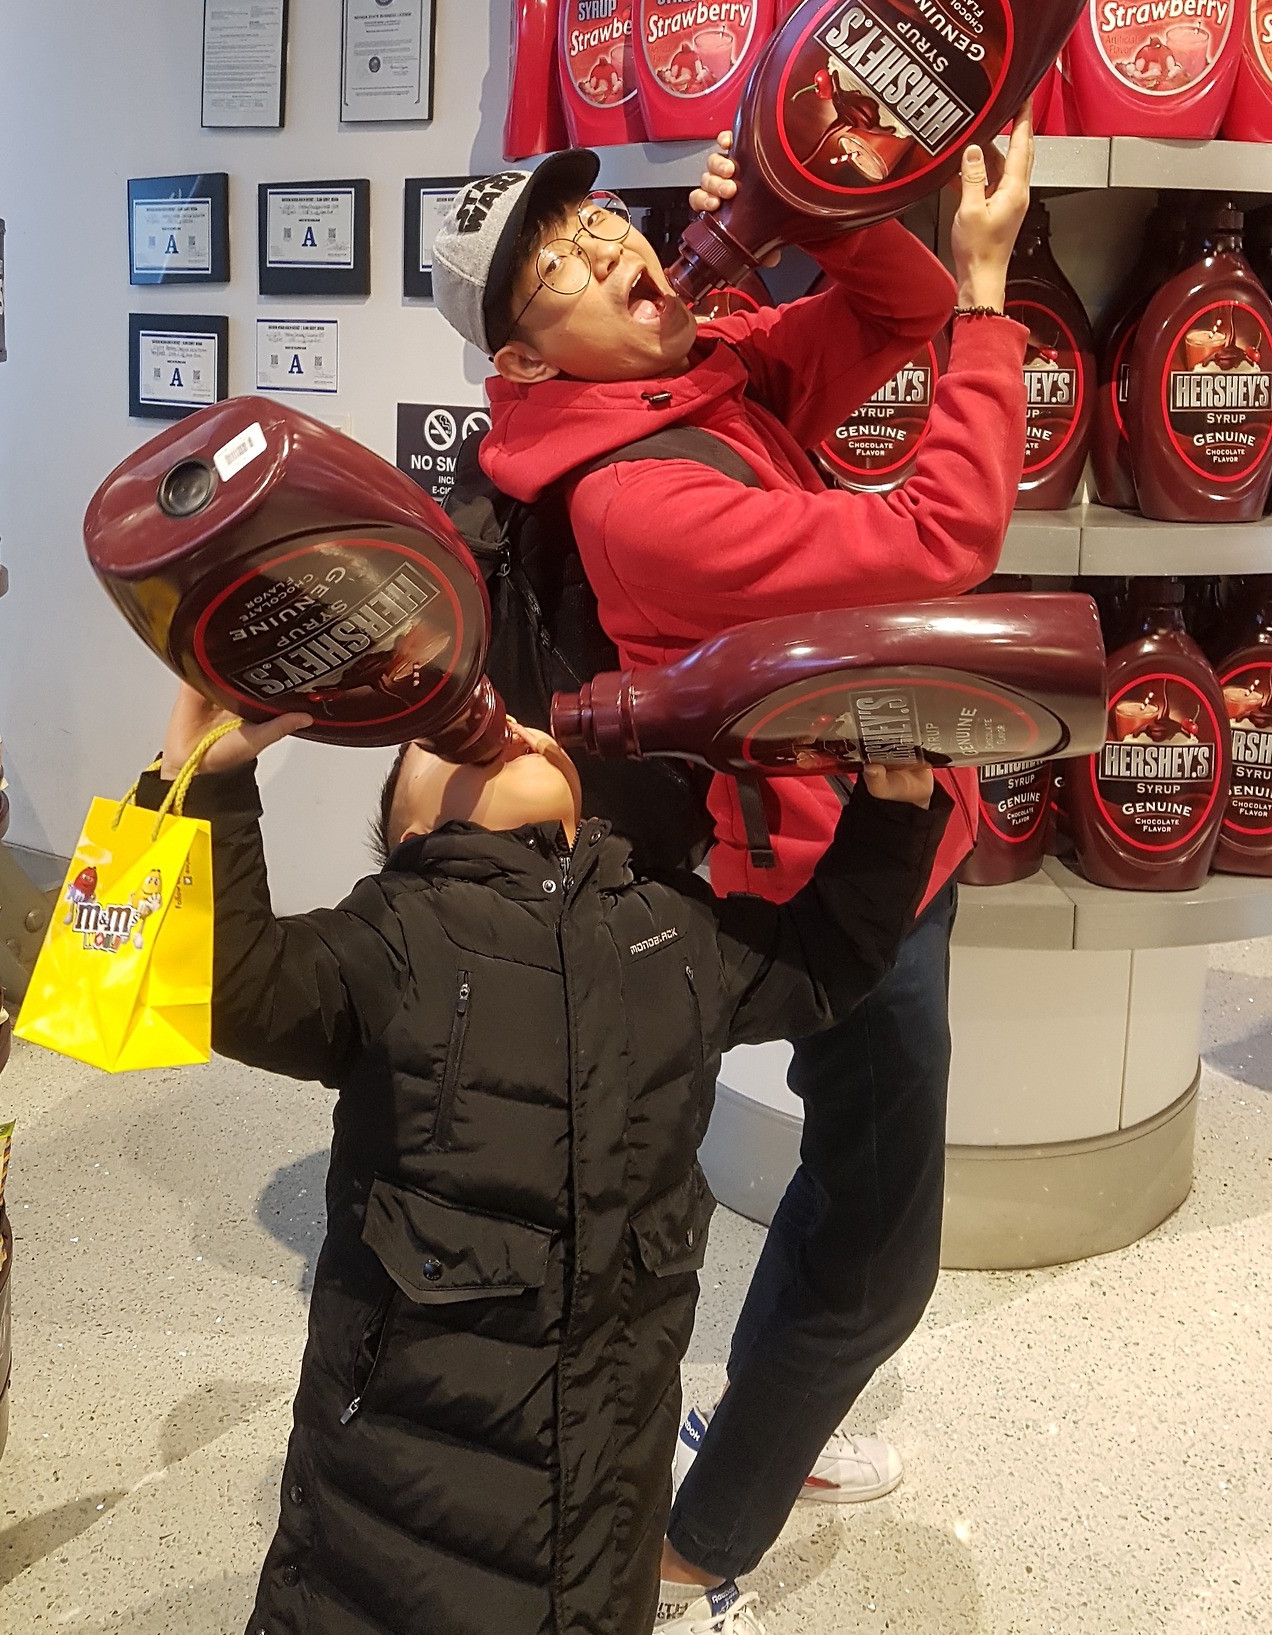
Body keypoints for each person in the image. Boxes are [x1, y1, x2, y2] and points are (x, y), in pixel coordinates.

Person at [431, 113, 1032, 1628]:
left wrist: (813, 210)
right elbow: (942, 539)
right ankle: (696, 1549)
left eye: (596, 224)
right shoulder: (636, 498)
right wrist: (988, 292)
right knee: (880, 1254)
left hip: (888, 822)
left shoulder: (706, 360)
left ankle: (757, 1429)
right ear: (524, 360)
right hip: (841, 879)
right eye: (556, 270)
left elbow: (886, 314)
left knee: (842, 1179)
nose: (608, 249)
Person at [141, 683, 949, 1635]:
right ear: (411, 838)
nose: (504, 730)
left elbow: (826, 959)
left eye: (523, 730)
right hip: (397, 1529)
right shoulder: (393, 940)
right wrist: (200, 785)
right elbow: (229, 984)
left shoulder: (673, 928)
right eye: (446, 745)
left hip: (605, 1526)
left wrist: (893, 812)